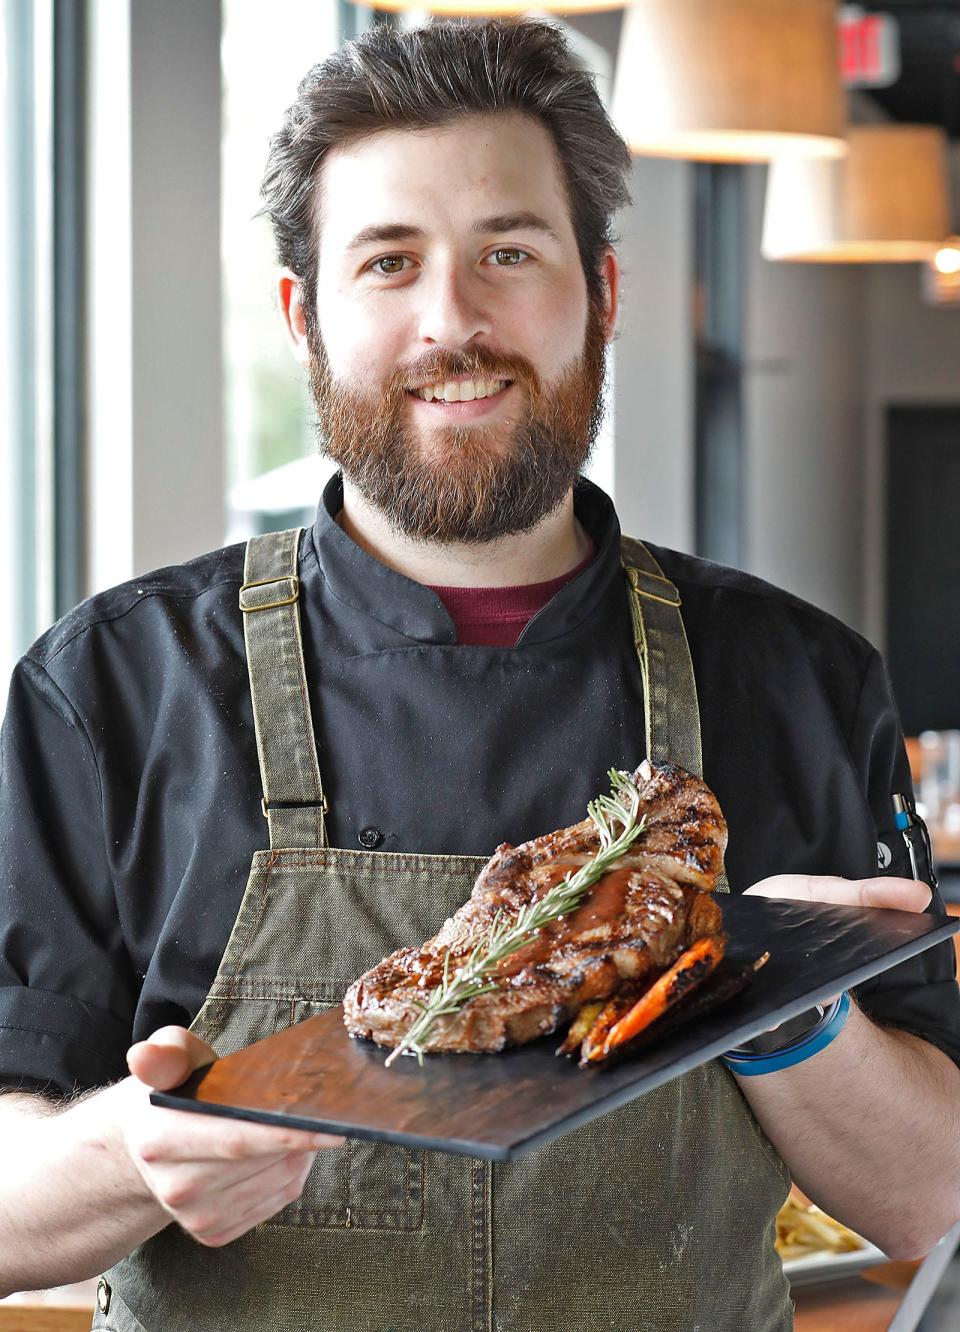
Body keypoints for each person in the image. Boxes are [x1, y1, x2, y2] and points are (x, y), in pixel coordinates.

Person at [0, 18, 958, 1332]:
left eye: (509, 252)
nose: (453, 320)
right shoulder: (108, 689)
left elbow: (938, 1200)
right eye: (388, 262)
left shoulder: (797, 677)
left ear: (602, 292)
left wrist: (786, 1004)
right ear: (304, 314)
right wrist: (133, 1154)